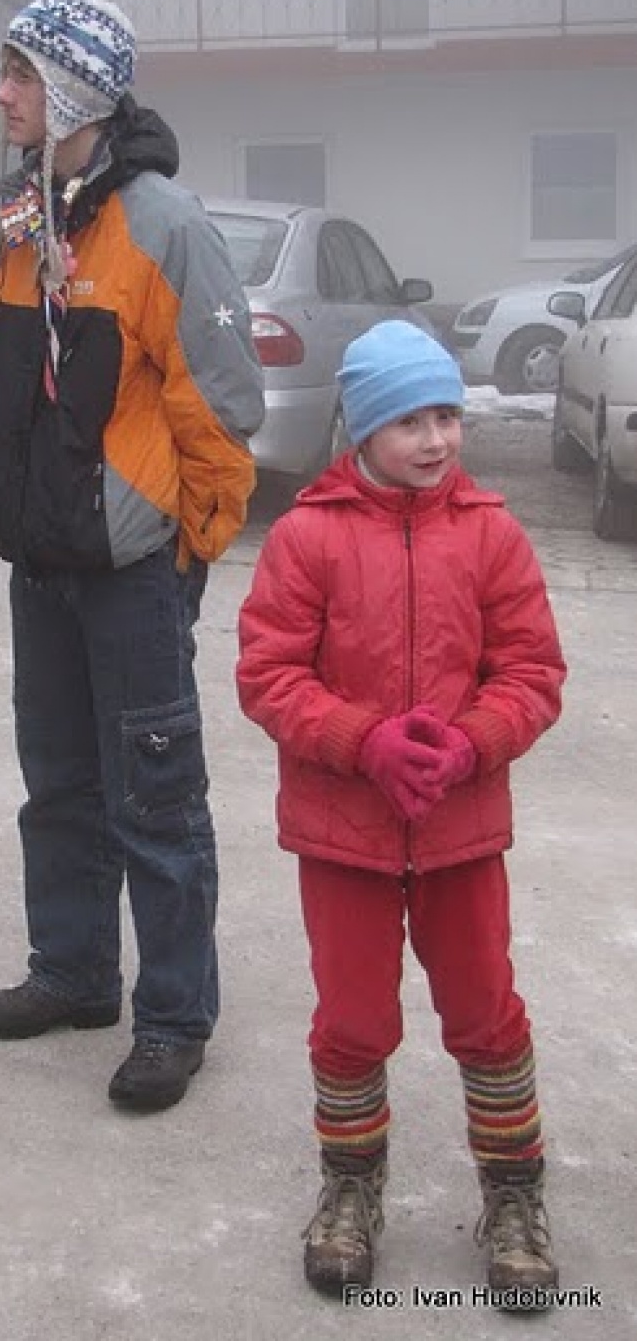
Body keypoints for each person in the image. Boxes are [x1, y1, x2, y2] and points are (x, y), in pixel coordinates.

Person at [0, 0, 266, 1113]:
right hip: (41, 564)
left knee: (155, 801)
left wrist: (184, 555)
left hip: (133, 572)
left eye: (19, 75)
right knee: (57, 784)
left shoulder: (161, 224)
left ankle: (174, 1017)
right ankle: (74, 972)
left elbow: (222, 412)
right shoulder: (23, 219)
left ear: (76, 89)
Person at [236, 321, 566, 1299]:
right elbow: (266, 675)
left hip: (460, 833)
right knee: (349, 1021)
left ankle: (511, 1192)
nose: (434, 439)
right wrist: (358, 740)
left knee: (484, 1013)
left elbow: (531, 673)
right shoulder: (306, 536)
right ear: (361, 428)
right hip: (343, 838)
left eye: (446, 416)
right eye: (409, 420)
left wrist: (471, 741)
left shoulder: (491, 534)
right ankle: (349, 1186)